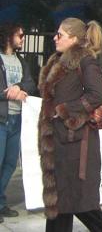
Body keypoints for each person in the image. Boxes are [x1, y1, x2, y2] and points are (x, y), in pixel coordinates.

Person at [38, 18, 102, 231]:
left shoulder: (86, 62)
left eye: (60, 35)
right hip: (59, 141)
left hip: (76, 144)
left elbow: (96, 95)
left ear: (74, 38)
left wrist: (64, 110)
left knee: (80, 205)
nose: (55, 38)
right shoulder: (57, 61)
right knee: (61, 204)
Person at [0, 23, 38, 222]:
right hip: (1, 119)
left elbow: (31, 83)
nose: (23, 39)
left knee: (10, 163)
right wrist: (9, 94)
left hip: (17, 120)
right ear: (9, 36)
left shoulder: (21, 61)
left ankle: (0, 202)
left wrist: (19, 86)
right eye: (20, 35)